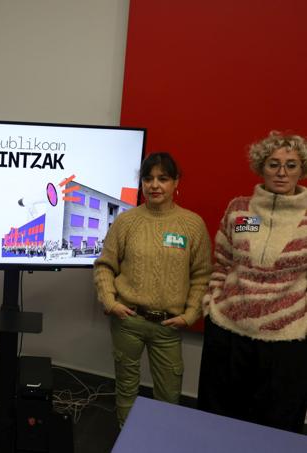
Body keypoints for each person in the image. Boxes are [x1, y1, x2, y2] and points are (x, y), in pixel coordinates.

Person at [198, 131, 307, 433]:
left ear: (302, 170)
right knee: (219, 421)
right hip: (229, 334)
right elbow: (222, 260)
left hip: (286, 342)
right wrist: (212, 303)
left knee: (276, 427)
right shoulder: (242, 211)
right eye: (273, 164)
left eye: (291, 165)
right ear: (261, 167)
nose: (282, 172)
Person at [93, 152, 212, 427]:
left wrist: (191, 313)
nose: (154, 185)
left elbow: (202, 275)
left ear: (176, 182)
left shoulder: (192, 224)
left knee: (169, 396)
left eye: (163, 178)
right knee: (125, 389)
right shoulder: (126, 221)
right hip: (128, 321)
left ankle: (162, 441)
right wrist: (110, 301)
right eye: (148, 179)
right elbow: (104, 266)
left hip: (168, 327)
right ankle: (126, 438)